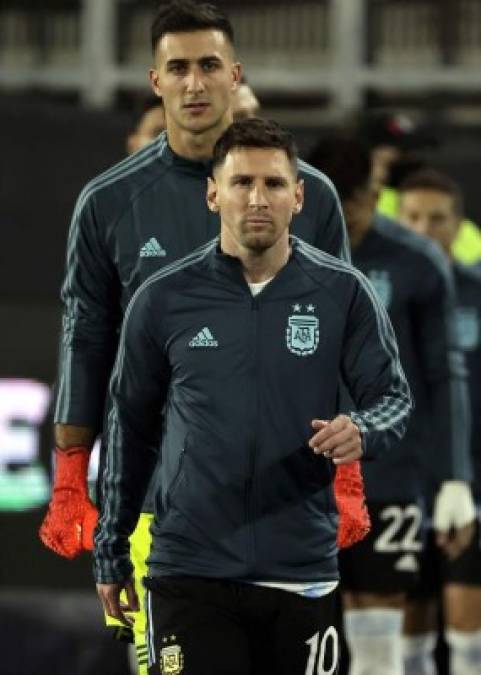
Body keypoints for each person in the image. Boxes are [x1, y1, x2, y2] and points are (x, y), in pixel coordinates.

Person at [38, 2, 350, 673]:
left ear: (235, 75)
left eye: (208, 65)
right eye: (177, 67)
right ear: (154, 80)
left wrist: (347, 473)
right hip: (162, 503)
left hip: (285, 504)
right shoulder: (109, 203)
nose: (194, 83)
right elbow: (86, 340)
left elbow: (341, 335)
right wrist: (72, 477)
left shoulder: (309, 197)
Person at [94, 117, 412, 675]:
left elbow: (392, 399)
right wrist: (111, 547)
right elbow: (129, 428)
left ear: (299, 196)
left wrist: (363, 428)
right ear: (214, 194)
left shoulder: (343, 293)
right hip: (189, 571)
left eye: (273, 184)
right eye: (242, 183)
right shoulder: (163, 298)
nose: (257, 198)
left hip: (302, 571)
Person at [309, 136, 474, 675]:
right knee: (303, 636)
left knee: (378, 643)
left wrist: (453, 477)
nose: (343, 216)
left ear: (371, 195)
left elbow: (444, 373)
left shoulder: (417, 262)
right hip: (301, 476)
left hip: (389, 476)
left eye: (352, 203)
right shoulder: (285, 252)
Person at [399, 169, 481, 675]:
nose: (425, 229)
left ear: (458, 224)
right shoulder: (373, 293)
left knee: (467, 632)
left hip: (472, 482)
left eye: (437, 218)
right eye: (412, 219)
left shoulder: (475, 292)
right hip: (401, 485)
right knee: (407, 633)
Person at [358, 111, 481, 265]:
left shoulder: (461, 226)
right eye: (400, 155)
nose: (411, 161)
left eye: (414, 153)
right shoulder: (358, 215)